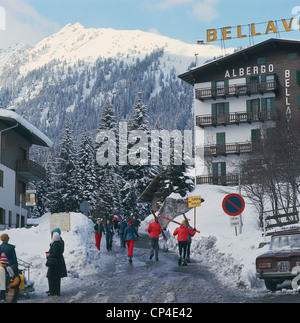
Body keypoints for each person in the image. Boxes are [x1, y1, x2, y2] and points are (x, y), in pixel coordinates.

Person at [46, 229, 67, 296]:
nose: (52, 234)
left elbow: (56, 253)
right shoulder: (57, 242)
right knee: (54, 277)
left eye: (54, 233)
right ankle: (53, 290)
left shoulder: (57, 242)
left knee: (53, 277)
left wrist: (50, 254)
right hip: (57, 262)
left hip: (55, 262)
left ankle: (53, 291)